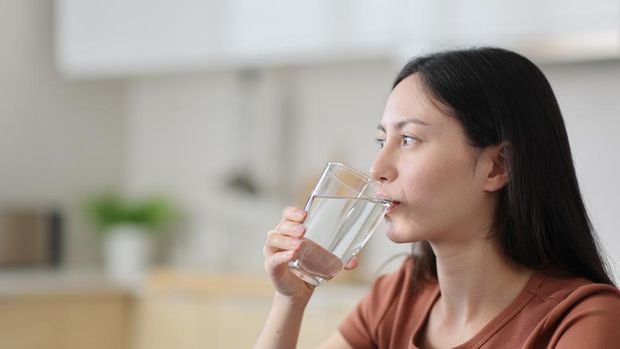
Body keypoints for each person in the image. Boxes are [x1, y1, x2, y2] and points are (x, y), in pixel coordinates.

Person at [253, 47, 620, 349]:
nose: (378, 167)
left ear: (497, 166)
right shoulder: (399, 296)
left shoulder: (583, 321)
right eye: (383, 141)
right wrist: (293, 299)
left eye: (409, 139)